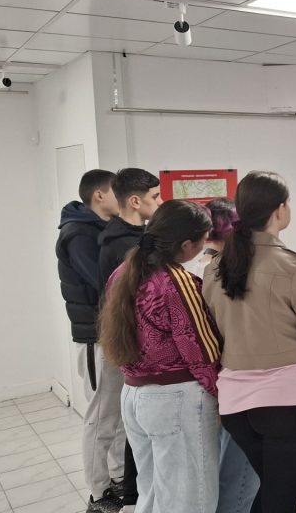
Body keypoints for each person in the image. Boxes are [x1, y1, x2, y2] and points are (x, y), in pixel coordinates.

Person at [202, 171, 296, 513]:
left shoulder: (214, 269)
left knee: (274, 491)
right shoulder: (293, 266)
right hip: (291, 402)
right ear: (279, 210)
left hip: (237, 405)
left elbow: (213, 335)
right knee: (282, 497)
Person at [98, 200, 221, 513]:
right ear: (187, 245)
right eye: (203, 239)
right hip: (175, 398)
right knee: (191, 499)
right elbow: (200, 350)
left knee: (152, 492)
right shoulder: (177, 281)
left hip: (134, 393)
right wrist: (222, 396)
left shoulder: (123, 273)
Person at [180, 197, 259, 513]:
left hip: (206, 381)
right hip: (232, 376)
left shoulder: (189, 267)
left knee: (216, 468)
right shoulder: (221, 270)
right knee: (240, 471)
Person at [55, 169, 124, 513]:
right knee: (101, 419)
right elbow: (105, 281)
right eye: (116, 191)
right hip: (97, 340)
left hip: (109, 336)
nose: (122, 198)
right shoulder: (78, 234)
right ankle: (99, 493)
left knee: (116, 415)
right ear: (99, 195)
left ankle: (118, 477)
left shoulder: (99, 229)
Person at [98, 167, 163, 511]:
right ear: (135, 201)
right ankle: (134, 497)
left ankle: (136, 495)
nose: (161, 202)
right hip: (135, 347)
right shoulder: (123, 246)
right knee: (135, 433)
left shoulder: (136, 237)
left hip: (136, 347)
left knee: (137, 432)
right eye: (155, 196)